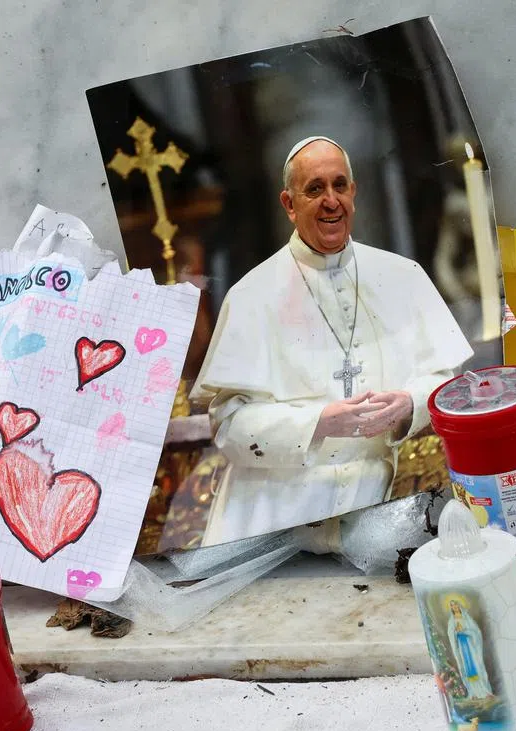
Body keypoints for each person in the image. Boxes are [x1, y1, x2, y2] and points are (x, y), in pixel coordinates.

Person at [192, 136, 473, 545]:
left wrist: (408, 404)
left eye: (339, 185)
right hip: (276, 509)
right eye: (315, 188)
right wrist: (320, 423)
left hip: (379, 497)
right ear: (289, 204)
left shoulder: (403, 275)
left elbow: (447, 376)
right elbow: (230, 426)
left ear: (353, 193)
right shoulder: (251, 296)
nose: (331, 200)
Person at [447, 599, 493, 700]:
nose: (454, 607)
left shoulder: (466, 618)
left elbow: (476, 632)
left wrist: (465, 630)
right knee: (467, 669)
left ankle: (485, 691)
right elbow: (451, 634)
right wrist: (456, 632)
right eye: (452, 606)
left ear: (458, 606)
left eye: (455, 605)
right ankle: (473, 693)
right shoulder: (452, 621)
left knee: (477, 667)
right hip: (462, 648)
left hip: (471, 646)